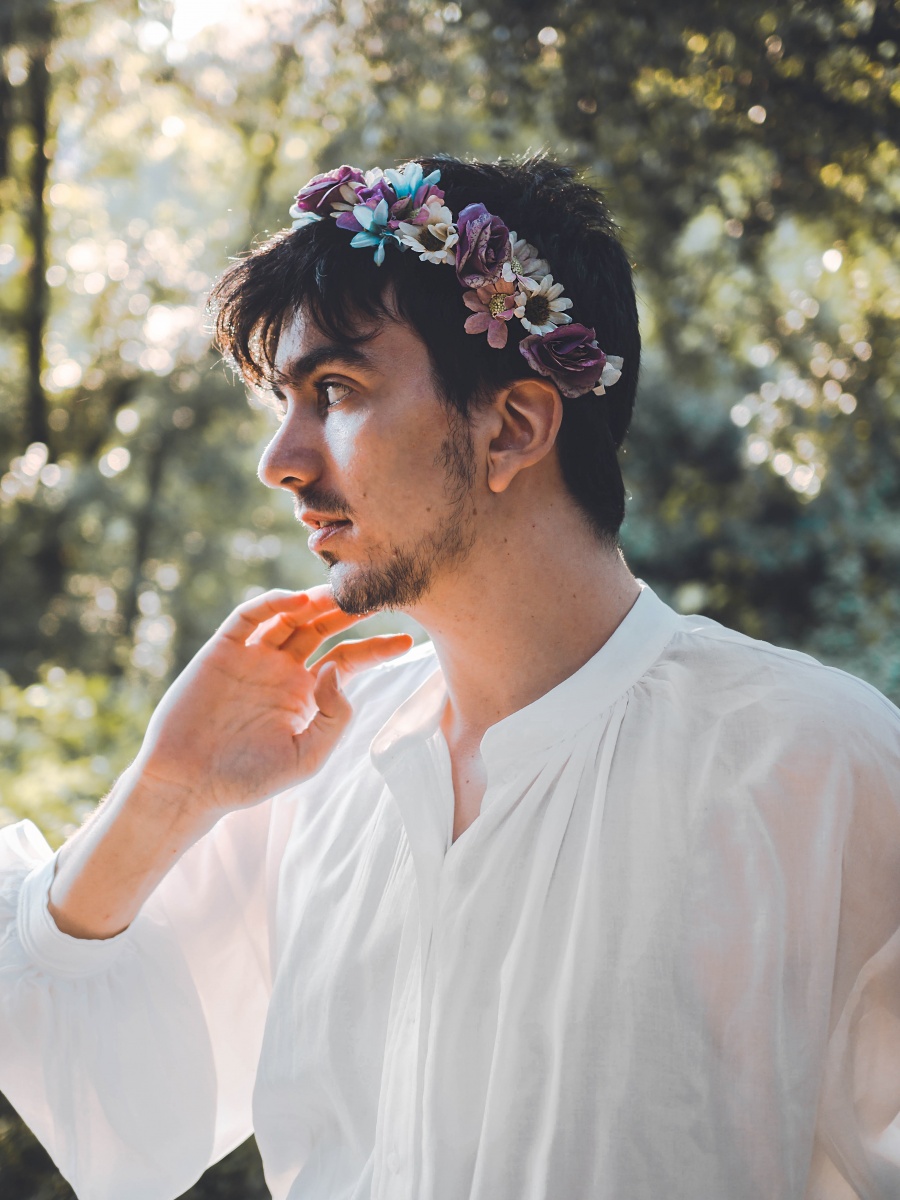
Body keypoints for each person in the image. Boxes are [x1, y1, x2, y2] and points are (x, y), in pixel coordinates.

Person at [0, 153, 898, 1200]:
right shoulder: (318, 760)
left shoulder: (817, 771)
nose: (279, 461)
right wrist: (166, 792)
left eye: (335, 391)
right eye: (283, 401)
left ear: (513, 426)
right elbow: (105, 1096)